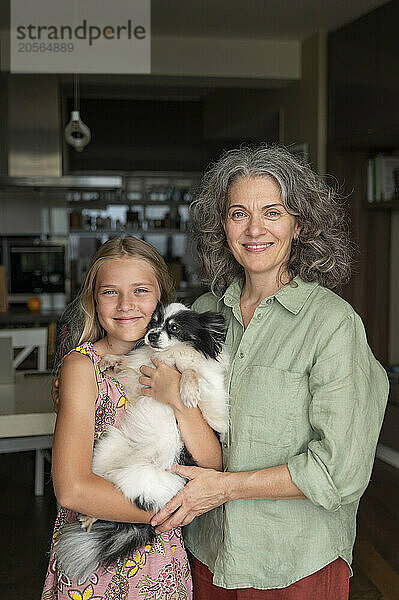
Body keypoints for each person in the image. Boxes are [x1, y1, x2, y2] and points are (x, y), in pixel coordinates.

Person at [145, 145, 389, 599]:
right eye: (239, 213)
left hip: (296, 561)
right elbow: (157, 402)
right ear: (223, 226)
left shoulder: (332, 324)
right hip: (207, 552)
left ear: (299, 225)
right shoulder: (202, 315)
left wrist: (225, 488)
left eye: (272, 212)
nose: (254, 229)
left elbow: (340, 470)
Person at [42, 236, 223, 600]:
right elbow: (71, 489)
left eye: (141, 290)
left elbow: (212, 463)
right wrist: (178, 508)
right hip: (97, 554)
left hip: (160, 561)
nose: (126, 304)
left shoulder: (179, 366)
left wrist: (176, 398)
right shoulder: (83, 367)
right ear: (94, 299)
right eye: (110, 292)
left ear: (162, 300)